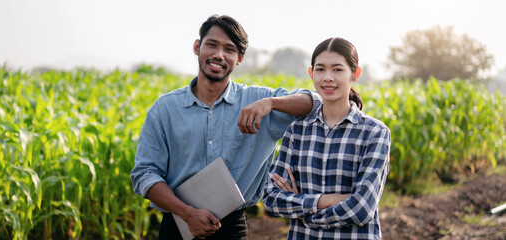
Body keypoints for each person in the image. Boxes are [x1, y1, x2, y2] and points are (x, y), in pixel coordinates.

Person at [130, 15, 321, 240]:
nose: (219, 55)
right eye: (212, 45)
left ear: (239, 58)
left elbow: (315, 103)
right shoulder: (165, 109)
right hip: (178, 224)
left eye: (229, 49)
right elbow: (145, 174)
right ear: (197, 47)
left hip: (231, 228)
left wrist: (271, 103)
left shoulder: (258, 100)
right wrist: (188, 214)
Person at [263, 37, 391, 239]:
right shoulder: (297, 131)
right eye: (321, 69)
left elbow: (361, 208)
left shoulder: (374, 133)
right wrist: (326, 200)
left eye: (338, 70)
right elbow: (271, 200)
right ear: (311, 73)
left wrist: (304, 212)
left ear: (355, 74)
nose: (328, 77)